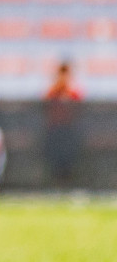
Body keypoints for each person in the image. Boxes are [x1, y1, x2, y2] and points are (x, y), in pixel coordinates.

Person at [43, 59, 83, 187]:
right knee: (54, 157)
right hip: (55, 129)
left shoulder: (72, 91)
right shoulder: (53, 91)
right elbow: (45, 101)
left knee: (69, 157)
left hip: (69, 130)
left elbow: (79, 101)